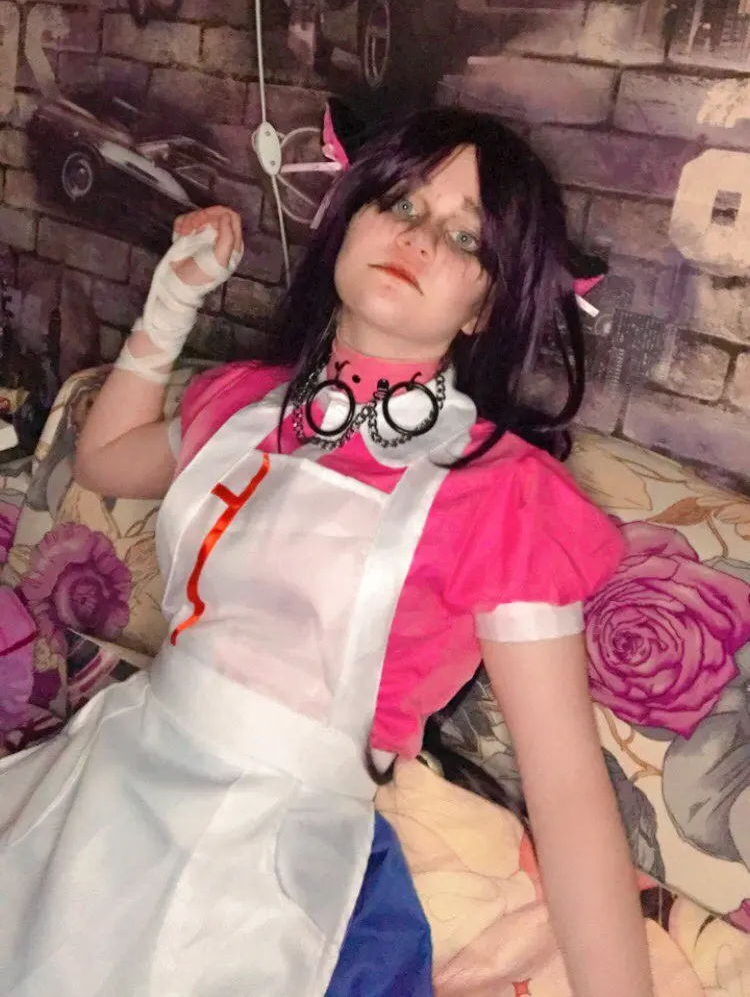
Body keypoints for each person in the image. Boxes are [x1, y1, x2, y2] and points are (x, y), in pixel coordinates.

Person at [0, 105, 653, 997]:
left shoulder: (503, 493)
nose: (417, 239)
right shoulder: (245, 401)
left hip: (277, 847)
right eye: (400, 203)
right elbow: (106, 460)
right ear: (348, 221)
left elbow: (569, 795)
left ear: (485, 307)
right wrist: (171, 303)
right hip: (117, 764)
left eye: (464, 238)